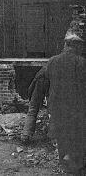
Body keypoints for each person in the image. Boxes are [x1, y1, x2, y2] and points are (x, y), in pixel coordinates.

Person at [22, 30, 86, 175]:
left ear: (66, 45)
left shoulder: (52, 61)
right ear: (76, 46)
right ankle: (76, 166)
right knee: (76, 136)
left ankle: (65, 164)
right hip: (75, 108)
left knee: (61, 136)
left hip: (56, 107)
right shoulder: (82, 63)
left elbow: (46, 83)